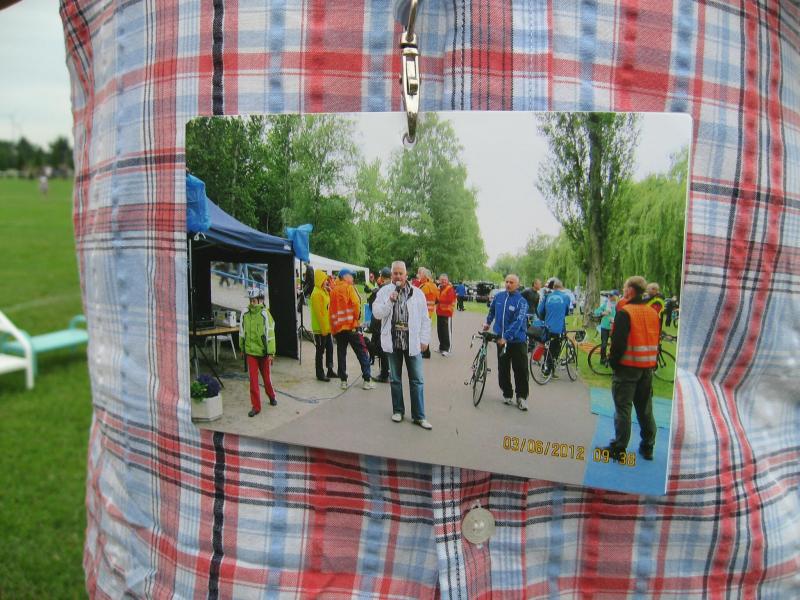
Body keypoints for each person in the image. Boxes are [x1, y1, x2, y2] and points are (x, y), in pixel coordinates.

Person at [603, 276, 660, 462]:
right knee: (645, 410)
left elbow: (618, 343)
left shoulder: (625, 312)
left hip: (627, 368)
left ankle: (619, 448)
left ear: (630, 290)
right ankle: (648, 446)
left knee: (623, 409)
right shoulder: (652, 312)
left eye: (625, 287)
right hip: (647, 368)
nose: (623, 290)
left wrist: (613, 363)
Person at [372, 260, 432, 430]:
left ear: (406, 275)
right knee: (395, 379)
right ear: (391, 275)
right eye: (395, 273)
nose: (398, 276)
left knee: (417, 380)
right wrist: (390, 301)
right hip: (393, 342)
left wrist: (424, 340)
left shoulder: (418, 293)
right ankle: (398, 410)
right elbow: (377, 314)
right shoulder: (384, 292)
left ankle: (419, 416)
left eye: (401, 273)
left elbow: (425, 319)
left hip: (412, 343)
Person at [483, 274, 530, 410]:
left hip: (517, 341)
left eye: (511, 282)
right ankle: (507, 393)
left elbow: (518, 322)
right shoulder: (499, 297)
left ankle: (521, 397)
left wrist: (507, 337)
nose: (508, 284)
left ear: (517, 285)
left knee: (520, 370)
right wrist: (488, 322)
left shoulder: (521, 302)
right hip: (500, 339)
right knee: (503, 368)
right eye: (507, 282)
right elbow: (492, 311)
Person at [329, 268, 374, 390]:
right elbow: (356, 303)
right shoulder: (349, 288)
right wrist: (357, 317)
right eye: (351, 276)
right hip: (351, 327)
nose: (353, 278)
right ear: (345, 276)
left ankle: (343, 381)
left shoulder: (333, 291)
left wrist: (333, 329)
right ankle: (367, 380)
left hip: (339, 329)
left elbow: (331, 311)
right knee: (362, 352)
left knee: (341, 354)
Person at [238, 287, 277, 417]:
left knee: (266, 378)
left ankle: (271, 395)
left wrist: (271, 353)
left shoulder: (265, 314)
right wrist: (242, 348)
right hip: (251, 352)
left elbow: (270, 334)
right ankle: (256, 406)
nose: (252, 303)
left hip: (264, 353)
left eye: (254, 300)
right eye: (250, 300)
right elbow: (242, 332)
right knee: (253, 380)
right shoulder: (245, 313)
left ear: (260, 300)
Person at [537, 278, 570, 377]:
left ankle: (546, 368)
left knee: (547, 347)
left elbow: (539, 310)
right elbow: (567, 311)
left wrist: (544, 317)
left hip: (547, 326)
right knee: (556, 348)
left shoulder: (547, 296)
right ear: (562, 287)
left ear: (553, 287)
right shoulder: (566, 297)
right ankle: (550, 370)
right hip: (559, 327)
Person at [309, 269, 336, 382]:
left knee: (330, 348)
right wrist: (324, 329)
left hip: (326, 327)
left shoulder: (323, 291)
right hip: (320, 329)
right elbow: (319, 314)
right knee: (320, 351)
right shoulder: (316, 294)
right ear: (320, 280)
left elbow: (328, 306)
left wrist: (330, 291)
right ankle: (319, 373)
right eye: (325, 279)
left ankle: (330, 370)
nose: (327, 281)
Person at [366, 266, 392, 382]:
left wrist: (373, 326)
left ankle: (384, 374)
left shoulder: (382, 290)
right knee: (385, 348)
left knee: (382, 349)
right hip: (385, 323)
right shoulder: (391, 288)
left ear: (382, 277)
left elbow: (377, 309)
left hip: (380, 323)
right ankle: (387, 372)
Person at [416, 267, 438, 358]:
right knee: (425, 330)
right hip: (430, 311)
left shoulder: (425, 286)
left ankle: (425, 352)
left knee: (422, 331)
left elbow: (417, 298)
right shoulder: (433, 286)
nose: (418, 276)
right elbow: (437, 299)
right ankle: (426, 352)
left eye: (420, 274)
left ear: (424, 276)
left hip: (423, 312)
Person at [435, 273, 456, 356]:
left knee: (446, 332)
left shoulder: (450, 289)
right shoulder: (439, 288)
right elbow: (436, 298)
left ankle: (447, 349)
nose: (443, 281)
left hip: (447, 313)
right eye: (441, 280)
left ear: (447, 280)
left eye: (445, 280)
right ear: (439, 280)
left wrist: (439, 299)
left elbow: (449, 300)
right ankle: (441, 347)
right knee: (440, 331)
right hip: (439, 312)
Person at [598, 291, 618, 365]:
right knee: (604, 345)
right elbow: (596, 311)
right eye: (609, 295)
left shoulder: (619, 305)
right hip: (605, 327)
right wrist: (602, 313)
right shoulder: (606, 303)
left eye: (611, 295)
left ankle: (612, 359)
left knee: (614, 345)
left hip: (615, 327)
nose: (609, 297)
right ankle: (603, 359)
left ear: (616, 296)